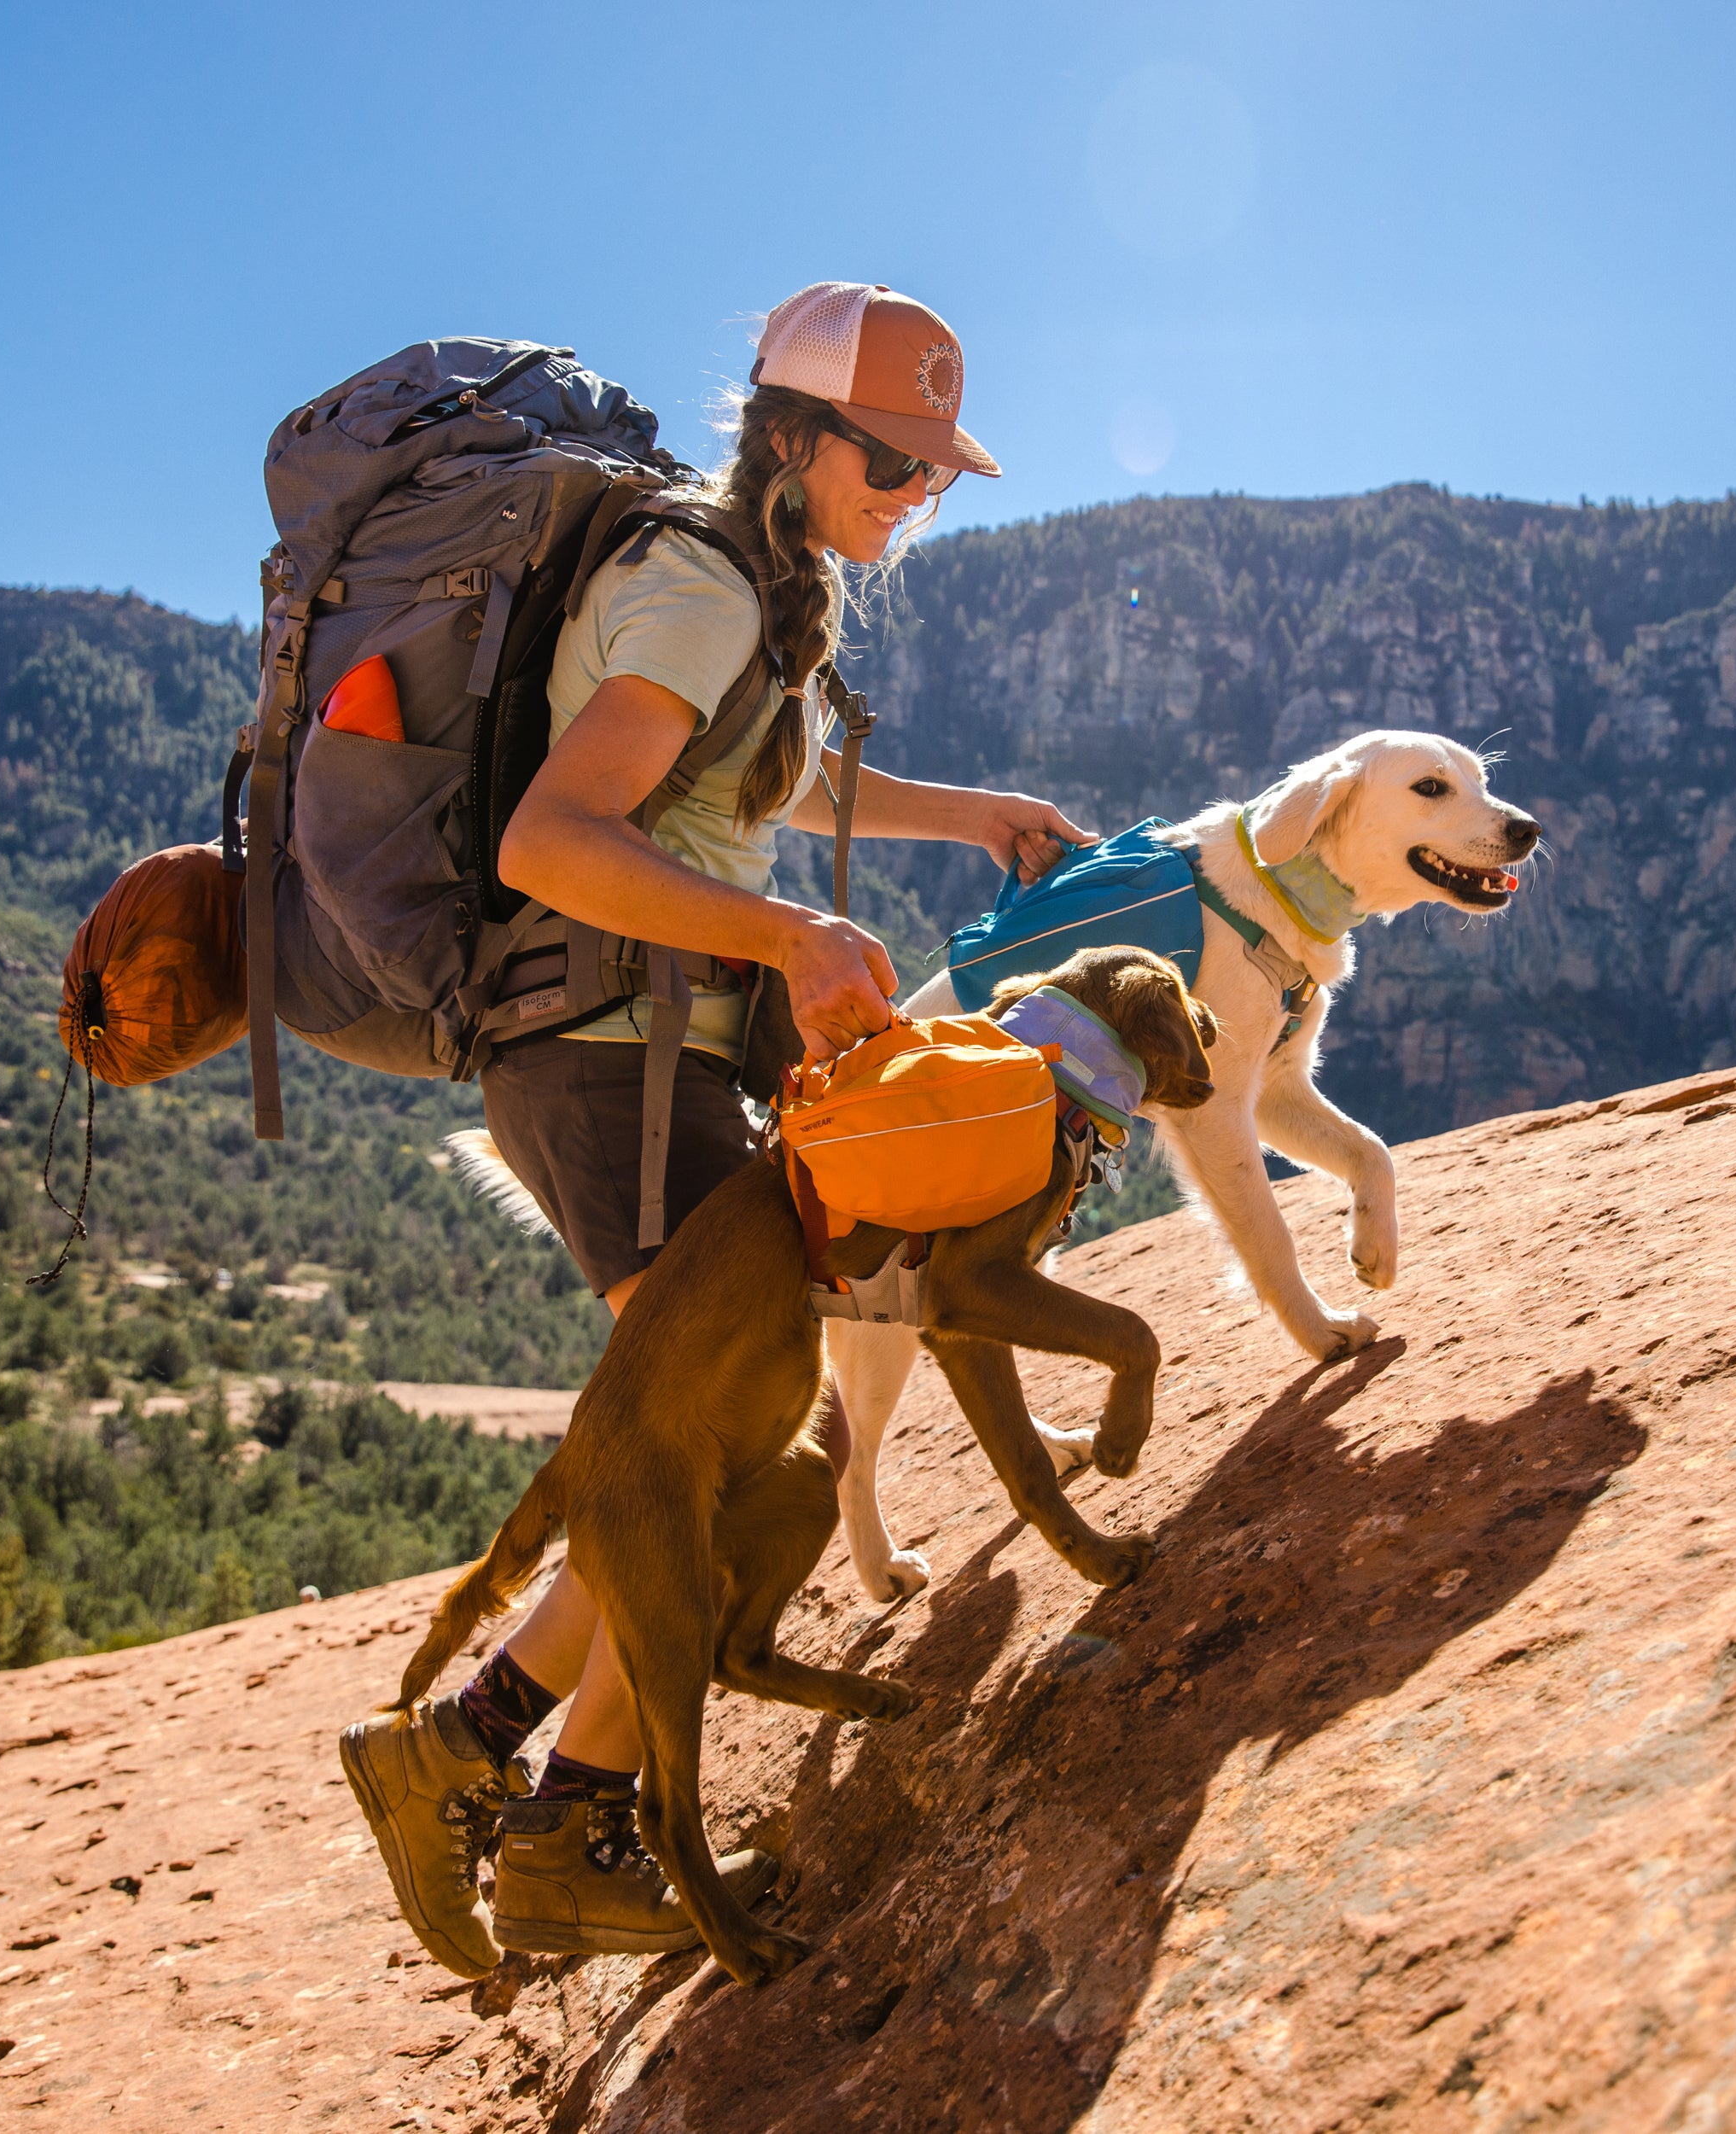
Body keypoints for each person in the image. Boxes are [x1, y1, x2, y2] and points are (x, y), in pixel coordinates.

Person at [398, 283, 1088, 1960]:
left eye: (931, 472)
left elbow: (754, 784)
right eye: (889, 459)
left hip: (642, 1059)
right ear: (790, 436)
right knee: (714, 1464)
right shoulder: (698, 589)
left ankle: (459, 1756)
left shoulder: (745, 597)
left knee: (701, 1450)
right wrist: (786, 933)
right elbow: (553, 839)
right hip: (603, 1060)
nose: (912, 498)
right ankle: (555, 1829)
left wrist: (960, 811)